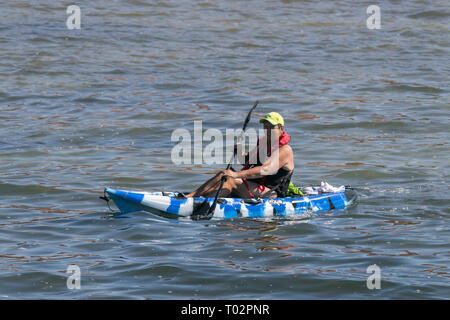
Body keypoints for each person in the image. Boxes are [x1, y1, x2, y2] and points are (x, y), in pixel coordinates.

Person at [186, 112, 294, 199]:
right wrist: (239, 152)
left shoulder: (285, 150)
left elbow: (265, 170)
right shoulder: (264, 144)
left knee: (230, 180)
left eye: (271, 127)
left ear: (281, 129)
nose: (267, 130)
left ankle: (197, 200)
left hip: (270, 193)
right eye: (265, 127)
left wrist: (236, 175)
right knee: (223, 175)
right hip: (253, 186)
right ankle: (194, 197)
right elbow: (247, 161)